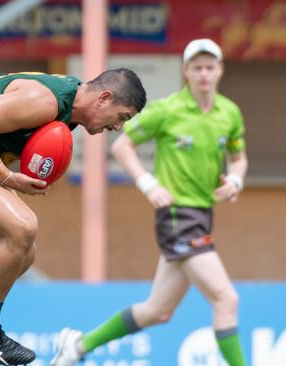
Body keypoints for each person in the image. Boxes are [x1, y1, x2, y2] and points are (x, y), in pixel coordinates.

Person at [0, 69, 147, 365]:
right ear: (104, 98)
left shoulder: (69, 102)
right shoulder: (46, 100)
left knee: (22, 254)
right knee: (22, 227)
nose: (118, 127)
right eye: (122, 117)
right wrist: (5, 176)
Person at [51, 39, 248, 366]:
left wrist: (236, 180)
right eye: (196, 67)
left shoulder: (230, 113)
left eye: (209, 67)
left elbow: (239, 159)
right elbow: (122, 147)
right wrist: (148, 183)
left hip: (203, 213)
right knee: (226, 299)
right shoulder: (166, 110)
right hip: (176, 215)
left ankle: (79, 345)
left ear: (220, 70)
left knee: (159, 310)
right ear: (186, 71)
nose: (203, 74)